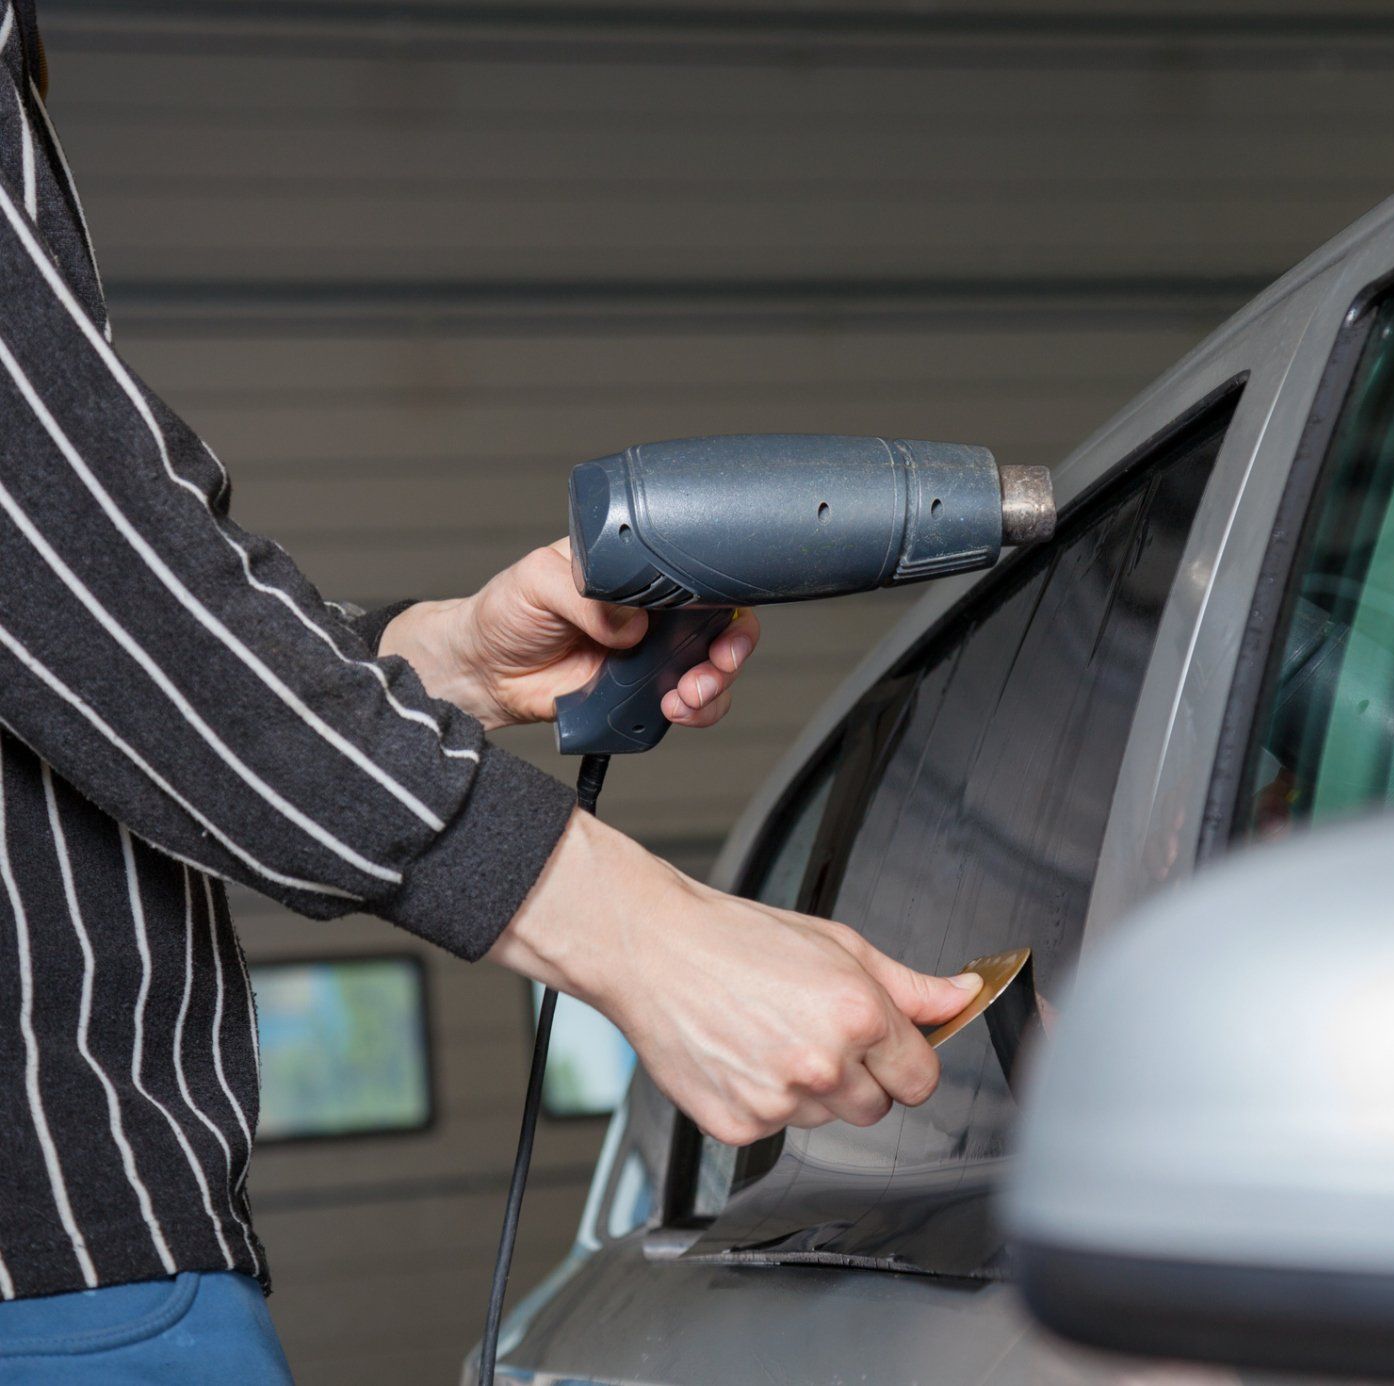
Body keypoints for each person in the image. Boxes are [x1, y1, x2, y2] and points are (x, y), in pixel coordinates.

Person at [0, 5, 982, 1378]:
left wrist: (426, 661)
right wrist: (647, 935)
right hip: (53, 1291)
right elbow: (65, 559)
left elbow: (75, 640)